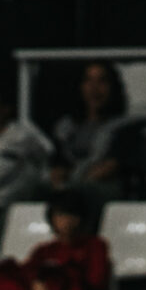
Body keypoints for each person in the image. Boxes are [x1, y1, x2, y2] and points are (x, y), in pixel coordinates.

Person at [50, 60, 128, 193]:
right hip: (69, 188)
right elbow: (58, 163)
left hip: (100, 189)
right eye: (88, 81)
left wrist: (82, 181)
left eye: (102, 81)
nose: (94, 88)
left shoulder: (123, 128)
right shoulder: (65, 126)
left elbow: (112, 166)